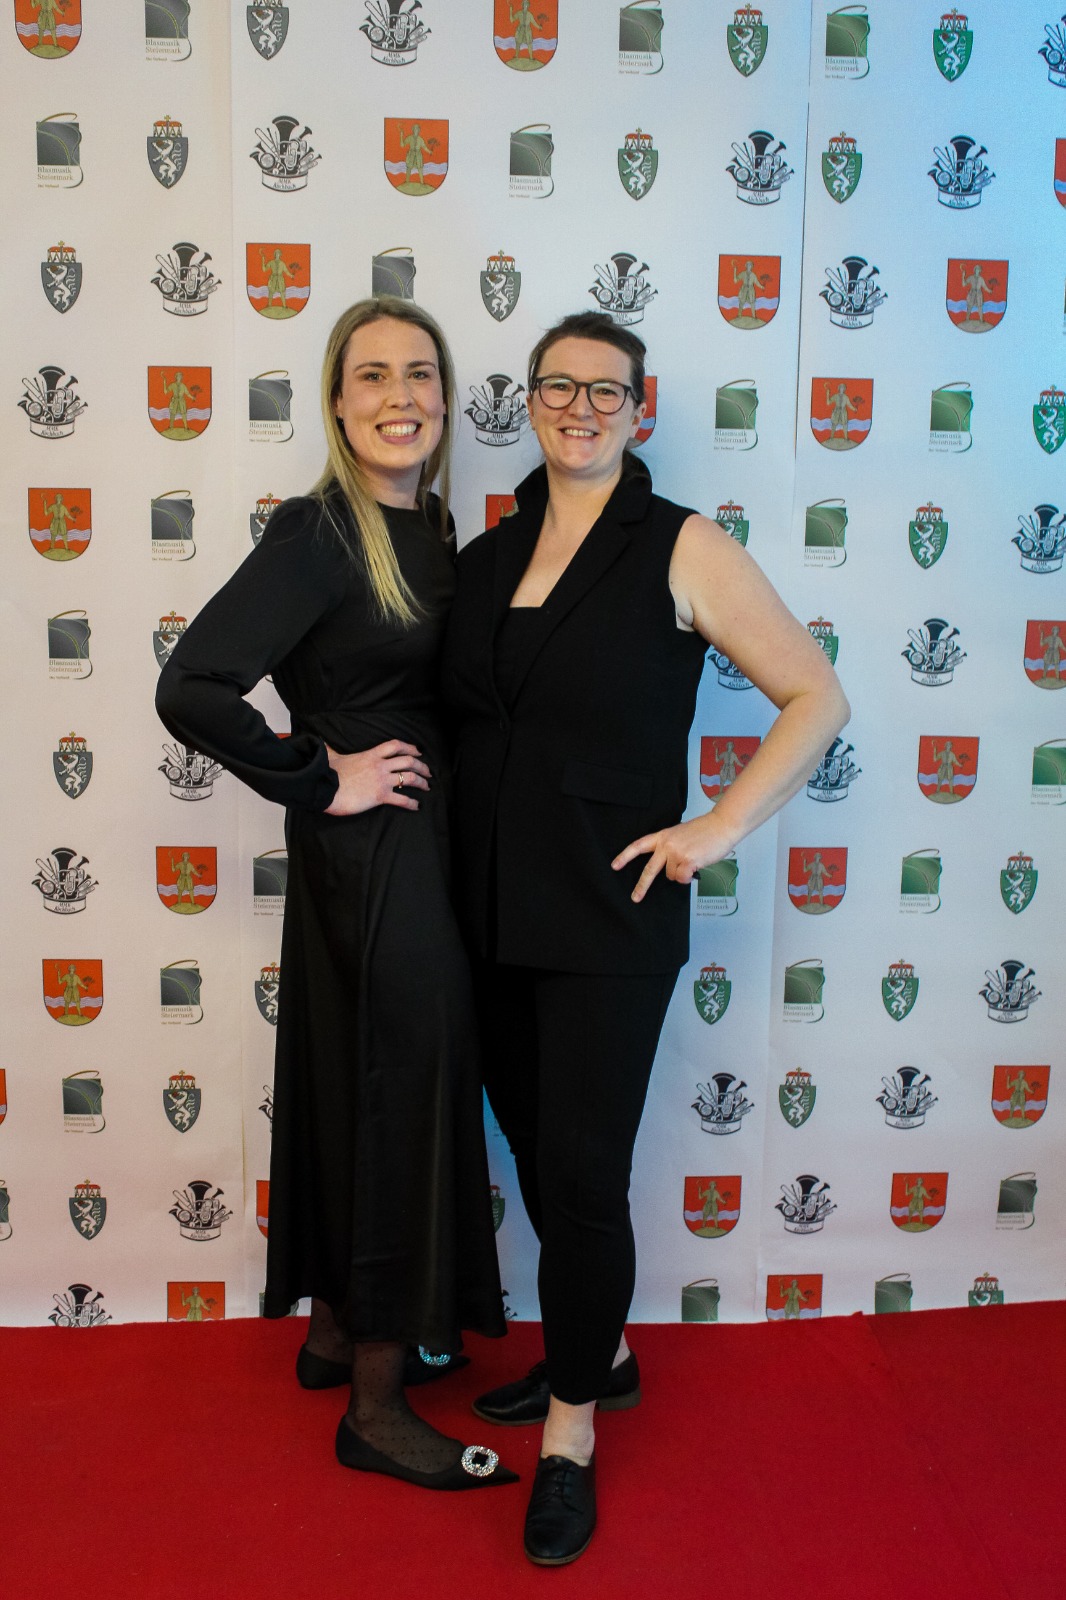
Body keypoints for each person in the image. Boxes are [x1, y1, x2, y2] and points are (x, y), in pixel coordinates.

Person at [440, 310, 849, 1562]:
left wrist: (716, 826)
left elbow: (814, 695)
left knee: (580, 1175)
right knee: (535, 1151)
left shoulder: (680, 545)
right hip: (486, 910)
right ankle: (601, 1351)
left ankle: (569, 1432)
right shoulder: (484, 555)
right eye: (556, 387)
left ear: (640, 407)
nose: (579, 408)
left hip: (608, 915)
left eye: (603, 390)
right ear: (528, 402)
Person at [155, 296, 516, 1492]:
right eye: (372, 376)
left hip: (409, 851)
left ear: (446, 398)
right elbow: (192, 686)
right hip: (374, 856)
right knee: (394, 1095)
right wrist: (322, 776)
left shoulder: (433, 526)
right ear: (336, 400)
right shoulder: (320, 530)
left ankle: (330, 1332)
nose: (400, 396)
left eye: (420, 373)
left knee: (363, 1075)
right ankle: (375, 1404)